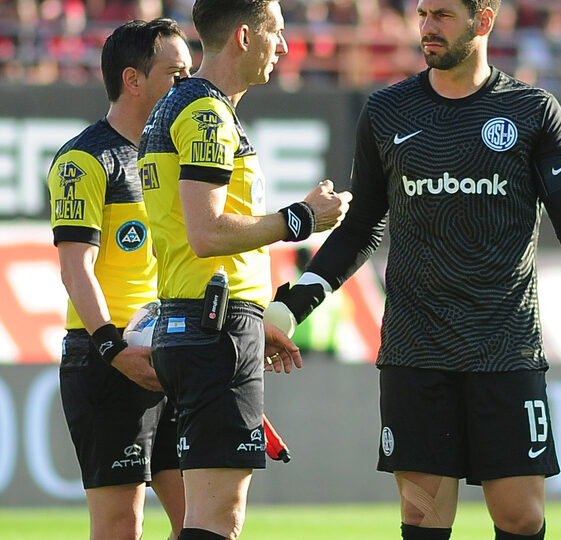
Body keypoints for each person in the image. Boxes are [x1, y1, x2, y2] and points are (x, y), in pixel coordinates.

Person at [267, 1, 561, 538]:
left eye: (442, 15)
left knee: (520, 516)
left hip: (503, 347)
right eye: (422, 14)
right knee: (423, 516)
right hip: (416, 349)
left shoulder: (532, 110)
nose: (427, 27)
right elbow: (360, 227)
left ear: (483, 21)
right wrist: (291, 303)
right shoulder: (386, 111)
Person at [137, 1, 352, 539]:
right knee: (218, 521)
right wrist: (303, 217)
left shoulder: (183, 107)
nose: (283, 46)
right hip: (215, 330)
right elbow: (206, 233)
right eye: (275, 32)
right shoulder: (207, 115)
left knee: (200, 518)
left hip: (205, 322)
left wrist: (256, 320)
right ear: (242, 35)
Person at [47, 18, 193, 540]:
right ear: (133, 79)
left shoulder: (175, 158)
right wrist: (113, 348)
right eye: (177, 76)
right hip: (105, 358)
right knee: (120, 526)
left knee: (207, 520)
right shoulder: (84, 158)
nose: (189, 89)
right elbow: (74, 267)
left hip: (171, 352)